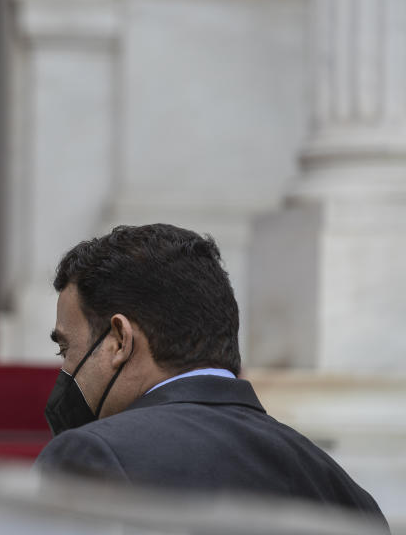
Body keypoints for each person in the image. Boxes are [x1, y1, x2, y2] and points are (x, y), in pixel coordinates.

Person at [37, 224, 387, 524]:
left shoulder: (91, 457)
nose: (65, 369)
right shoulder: (346, 493)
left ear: (119, 340)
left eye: (65, 349)